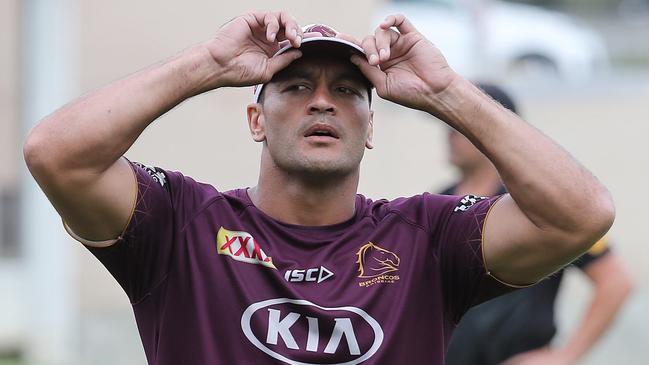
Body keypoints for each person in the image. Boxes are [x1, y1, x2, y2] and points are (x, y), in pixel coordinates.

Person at [23, 11, 615, 365]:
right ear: (256, 120)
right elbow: (56, 154)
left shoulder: (427, 236)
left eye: (349, 91)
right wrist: (207, 63)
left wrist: (443, 93)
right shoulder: (181, 222)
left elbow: (580, 214)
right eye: (296, 85)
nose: (324, 100)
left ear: (370, 127)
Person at [442, 83, 633, 365]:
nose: (449, 135)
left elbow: (616, 281)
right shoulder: (439, 202)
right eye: (447, 124)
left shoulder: (536, 206)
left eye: (458, 124)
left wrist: (565, 356)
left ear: (488, 129)